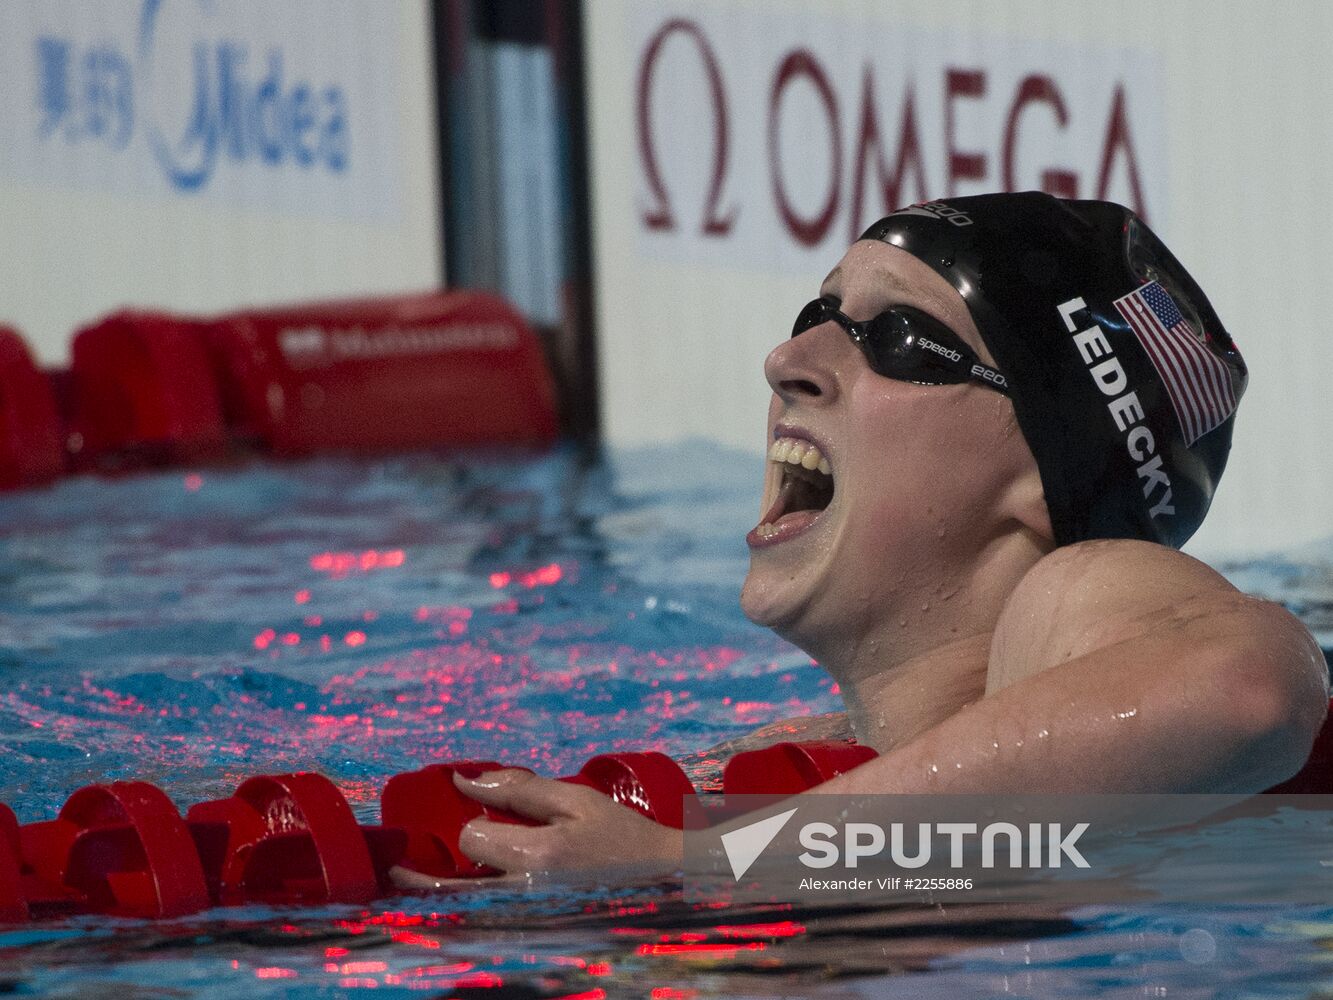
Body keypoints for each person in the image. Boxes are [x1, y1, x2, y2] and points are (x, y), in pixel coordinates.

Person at [404, 192, 1329, 881]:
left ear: (1047, 481)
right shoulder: (829, 753)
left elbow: (1248, 693)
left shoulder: (1075, 587)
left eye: (896, 338)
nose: (787, 361)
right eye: (819, 315)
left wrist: (700, 865)